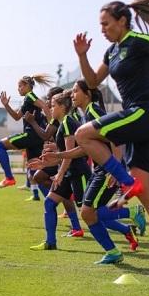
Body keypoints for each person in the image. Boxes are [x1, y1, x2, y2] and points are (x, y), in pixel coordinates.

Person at [73, 0, 149, 275]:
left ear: (122, 21)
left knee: (84, 133)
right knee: (145, 189)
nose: (102, 29)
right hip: (139, 121)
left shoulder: (138, 40)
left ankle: (126, 183)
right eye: (100, 25)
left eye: (106, 24)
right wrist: (82, 55)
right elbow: (92, 82)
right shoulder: (111, 51)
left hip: (145, 113)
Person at [45, 80, 146, 263]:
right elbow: (85, 149)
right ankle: (116, 245)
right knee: (89, 212)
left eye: (76, 91)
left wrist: (115, 170)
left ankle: (129, 218)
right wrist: (59, 155)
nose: (73, 95)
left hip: (107, 170)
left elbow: (116, 140)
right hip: (100, 169)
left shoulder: (93, 113)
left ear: (87, 94)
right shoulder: (85, 116)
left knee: (88, 213)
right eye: (72, 92)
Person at [29, 91, 89, 251]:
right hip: (69, 174)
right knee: (49, 203)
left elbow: (69, 154)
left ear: (62, 107)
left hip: (78, 173)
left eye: (53, 105)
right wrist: (42, 165)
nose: (50, 108)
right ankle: (50, 242)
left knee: (92, 212)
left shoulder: (68, 122)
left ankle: (129, 217)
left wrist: (60, 174)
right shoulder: (63, 123)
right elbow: (63, 153)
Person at [0, 74, 52, 195]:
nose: (18, 89)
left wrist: (51, 126)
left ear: (27, 86)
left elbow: (45, 106)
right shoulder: (27, 99)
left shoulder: (30, 96)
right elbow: (16, 117)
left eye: (20, 86)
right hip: (36, 139)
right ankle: (53, 199)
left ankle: (9, 178)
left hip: (31, 135)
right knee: (34, 173)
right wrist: (6, 105)